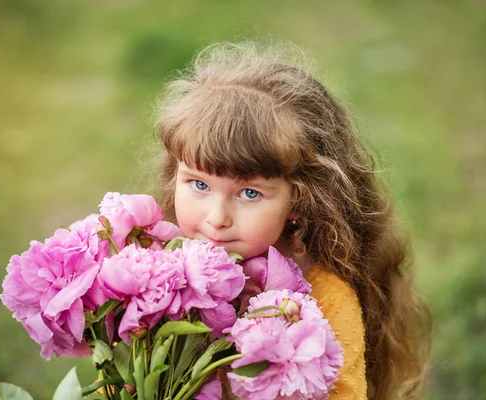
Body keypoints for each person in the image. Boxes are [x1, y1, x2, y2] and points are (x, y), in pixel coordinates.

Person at [152, 41, 431, 400]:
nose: (216, 218)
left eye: (249, 193)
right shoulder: (160, 271)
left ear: (302, 198)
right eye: (200, 184)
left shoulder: (325, 299)